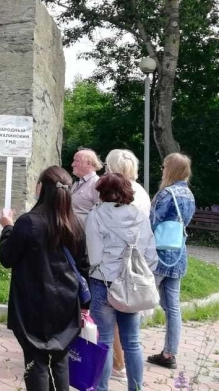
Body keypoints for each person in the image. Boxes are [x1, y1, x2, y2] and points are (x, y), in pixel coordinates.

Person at [0, 166, 89, 391]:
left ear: (41, 188)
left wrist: (7, 228)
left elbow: (7, 258)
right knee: (60, 357)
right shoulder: (75, 224)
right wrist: (85, 304)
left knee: (35, 359)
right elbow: (83, 266)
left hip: (33, 303)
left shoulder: (29, 222)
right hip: (66, 302)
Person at [86, 173, 158, 391]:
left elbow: (95, 256)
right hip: (132, 285)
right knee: (132, 342)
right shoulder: (139, 216)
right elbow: (151, 255)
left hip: (104, 283)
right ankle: (136, 388)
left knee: (104, 342)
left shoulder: (96, 215)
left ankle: (102, 388)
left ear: (102, 192)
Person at [103, 148, 152, 382]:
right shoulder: (141, 192)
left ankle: (115, 368)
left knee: (108, 328)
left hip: (112, 269)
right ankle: (135, 383)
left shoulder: (115, 194)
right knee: (132, 336)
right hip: (136, 268)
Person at [146, 153, 195, 370]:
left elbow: (151, 221)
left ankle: (129, 346)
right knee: (173, 307)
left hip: (158, 253)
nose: (162, 169)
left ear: (172, 169)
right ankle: (169, 353)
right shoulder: (189, 194)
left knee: (140, 297)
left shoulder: (166, 193)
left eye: (165, 166)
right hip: (178, 252)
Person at [70, 148, 102, 226]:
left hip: (85, 235)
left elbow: (102, 215)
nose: (72, 164)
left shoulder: (98, 184)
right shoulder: (77, 182)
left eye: (76, 161)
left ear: (88, 163)